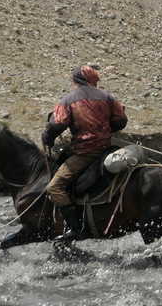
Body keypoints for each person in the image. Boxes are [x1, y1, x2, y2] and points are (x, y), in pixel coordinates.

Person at [42, 64, 128, 241]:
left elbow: (57, 124)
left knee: (54, 187)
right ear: (93, 81)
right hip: (107, 148)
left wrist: (47, 137)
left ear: (76, 81)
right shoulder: (108, 97)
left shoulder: (69, 100)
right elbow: (121, 121)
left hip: (85, 153)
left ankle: (75, 229)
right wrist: (104, 130)